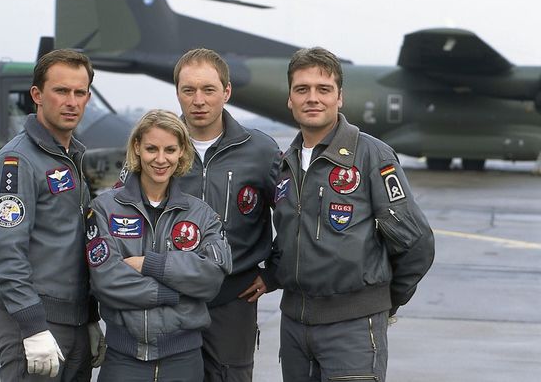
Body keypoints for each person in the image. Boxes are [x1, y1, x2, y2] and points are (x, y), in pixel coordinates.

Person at [261, 47, 435, 382]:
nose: (313, 98)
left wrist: (383, 301)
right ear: (290, 99)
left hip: (352, 329)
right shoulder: (285, 164)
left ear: (339, 97)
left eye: (323, 89)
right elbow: (288, 238)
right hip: (294, 327)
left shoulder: (371, 156)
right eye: (302, 89)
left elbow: (417, 244)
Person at [0, 49, 106, 381]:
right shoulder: (17, 163)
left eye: (79, 93)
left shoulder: (69, 156)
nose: (71, 102)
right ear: (37, 95)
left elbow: (73, 244)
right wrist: (33, 327)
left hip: (75, 323)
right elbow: (6, 255)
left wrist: (89, 316)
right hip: (35, 325)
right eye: (61, 91)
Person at [86, 109, 232, 381]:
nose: (161, 159)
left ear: (182, 152)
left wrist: (149, 264)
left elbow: (211, 280)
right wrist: (176, 293)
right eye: (152, 148)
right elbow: (106, 281)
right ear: (137, 148)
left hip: (183, 361)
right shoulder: (104, 209)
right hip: (123, 360)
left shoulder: (201, 215)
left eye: (170, 149)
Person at [171, 48, 281, 382]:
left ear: (227, 91)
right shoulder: (159, 147)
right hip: (169, 299)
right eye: (189, 90)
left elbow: (296, 216)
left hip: (234, 300)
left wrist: (275, 273)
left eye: (209, 89)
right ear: (177, 93)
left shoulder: (260, 151)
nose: (198, 100)